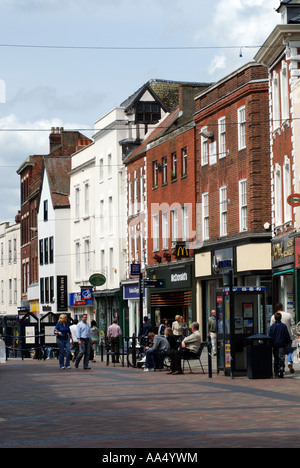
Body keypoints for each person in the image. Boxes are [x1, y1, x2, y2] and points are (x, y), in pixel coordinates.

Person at [270, 303, 297, 374]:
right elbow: (293, 326)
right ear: (282, 307)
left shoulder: (273, 317)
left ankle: (277, 369)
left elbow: (271, 329)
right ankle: (288, 362)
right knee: (290, 351)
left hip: (276, 340)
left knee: (277, 355)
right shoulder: (288, 315)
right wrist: (294, 335)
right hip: (286, 338)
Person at [269, 312, 291, 378]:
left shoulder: (272, 327)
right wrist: (287, 343)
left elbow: (270, 336)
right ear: (280, 318)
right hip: (282, 344)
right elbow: (287, 335)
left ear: (275, 318)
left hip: (274, 344)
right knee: (281, 357)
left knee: (276, 358)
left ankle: (276, 371)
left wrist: (270, 343)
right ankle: (281, 370)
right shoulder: (283, 326)